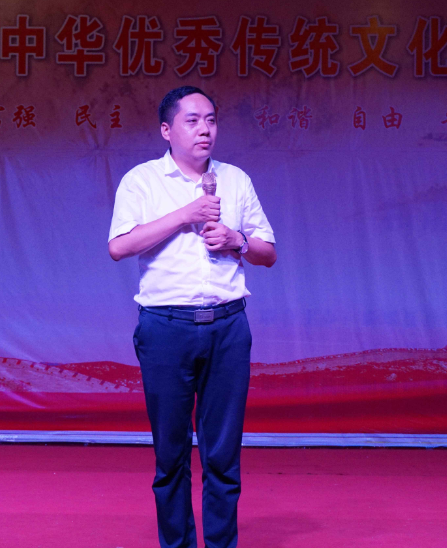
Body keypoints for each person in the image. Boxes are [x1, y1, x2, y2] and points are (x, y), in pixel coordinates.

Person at [108, 86, 276, 548]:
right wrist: (186, 214)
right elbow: (119, 246)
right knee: (172, 454)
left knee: (223, 454)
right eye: (193, 120)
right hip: (166, 328)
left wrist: (238, 241)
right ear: (167, 130)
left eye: (211, 120)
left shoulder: (235, 179)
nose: (205, 129)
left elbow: (268, 252)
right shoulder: (141, 181)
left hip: (227, 326)